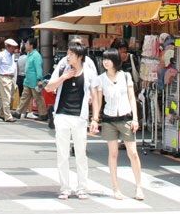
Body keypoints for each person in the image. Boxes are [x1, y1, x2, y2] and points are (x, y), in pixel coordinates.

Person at [44, 42, 98, 200]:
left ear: (79, 57)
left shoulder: (88, 70)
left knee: (81, 154)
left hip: (80, 117)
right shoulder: (62, 67)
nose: (68, 57)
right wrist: (63, 77)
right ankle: (65, 188)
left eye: (71, 54)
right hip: (61, 115)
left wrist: (95, 118)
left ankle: (82, 188)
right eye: (68, 53)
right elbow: (48, 87)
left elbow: (94, 94)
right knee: (62, 154)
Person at [91, 49, 144, 201]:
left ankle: (139, 187)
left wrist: (135, 118)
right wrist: (95, 119)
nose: (105, 62)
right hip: (109, 119)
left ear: (115, 60)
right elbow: (99, 101)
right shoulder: (100, 79)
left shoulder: (126, 76)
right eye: (104, 59)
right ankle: (115, 188)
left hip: (126, 117)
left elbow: (132, 98)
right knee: (113, 154)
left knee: (133, 153)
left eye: (108, 59)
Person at [15, 40, 44, 120]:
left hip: (35, 81)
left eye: (27, 44)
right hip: (28, 80)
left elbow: (38, 68)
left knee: (38, 98)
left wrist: (39, 79)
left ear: (31, 45)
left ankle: (43, 114)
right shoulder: (29, 54)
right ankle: (18, 112)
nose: (25, 45)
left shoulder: (36, 55)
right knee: (24, 97)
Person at [0, 39, 19, 121]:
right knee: (6, 97)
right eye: (13, 47)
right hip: (4, 77)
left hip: (12, 77)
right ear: (8, 47)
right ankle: (8, 116)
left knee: (10, 97)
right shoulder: (1, 55)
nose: (14, 49)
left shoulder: (13, 55)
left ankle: (1, 113)